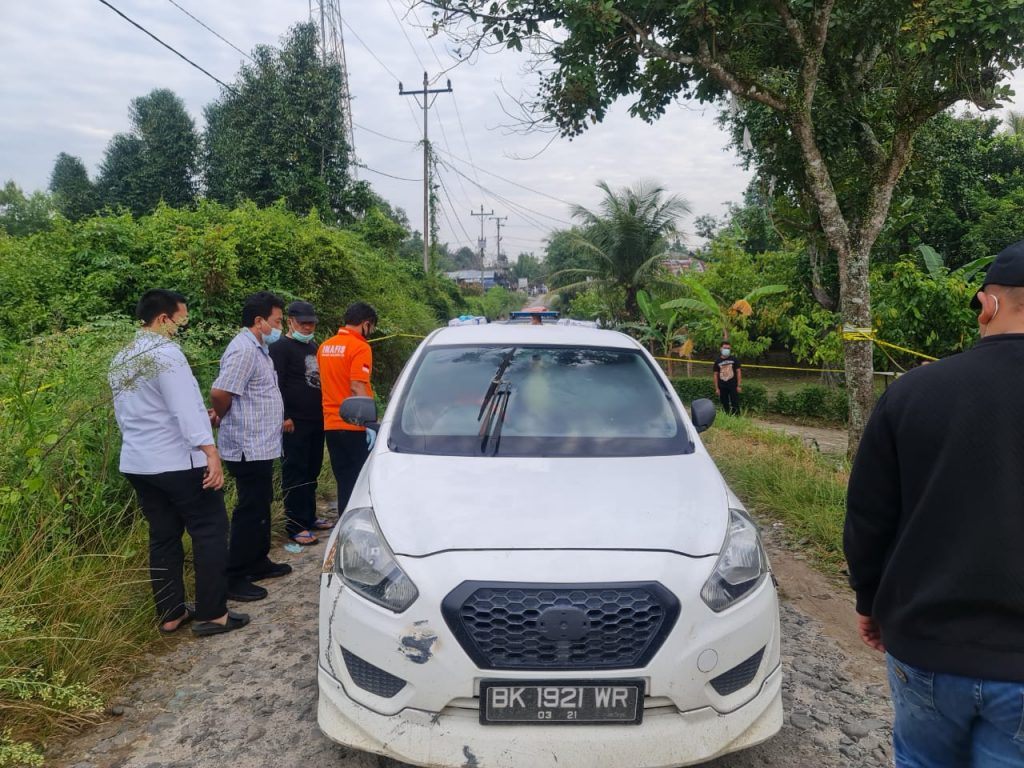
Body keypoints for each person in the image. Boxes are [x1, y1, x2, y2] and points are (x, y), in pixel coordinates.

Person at [845, 239, 1024, 765]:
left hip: (925, 645)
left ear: (987, 305)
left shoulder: (912, 392)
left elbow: (869, 517)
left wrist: (868, 601)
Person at [110, 289, 249, 637]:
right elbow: (185, 409)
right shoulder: (166, 354)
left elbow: (130, 413)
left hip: (139, 462)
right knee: (210, 530)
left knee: (163, 535)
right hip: (177, 461)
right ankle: (213, 614)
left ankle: (171, 613)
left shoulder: (122, 357)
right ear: (163, 319)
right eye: (180, 320)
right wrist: (210, 452)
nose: (181, 327)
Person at [210, 291, 290, 602]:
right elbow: (220, 392)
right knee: (249, 508)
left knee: (261, 502)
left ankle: (258, 560)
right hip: (247, 444)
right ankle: (236, 575)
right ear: (259, 321)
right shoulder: (243, 350)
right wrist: (223, 415)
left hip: (262, 444)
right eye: (277, 321)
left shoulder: (260, 350)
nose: (279, 327)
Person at [269, 300, 332, 546]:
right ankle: (295, 525)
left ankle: (309, 516)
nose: (307, 327)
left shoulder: (313, 346)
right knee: (295, 471)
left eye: (311, 323)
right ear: (290, 322)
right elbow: (276, 384)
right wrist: (283, 415)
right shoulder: (280, 348)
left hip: (316, 418)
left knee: (311, 469)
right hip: (294, 421)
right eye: (303, 323)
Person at [318, 302, 377, 513]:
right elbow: (357, 385)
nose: (371, 332)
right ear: (366, 324)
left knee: (344, 481)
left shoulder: (325, 347)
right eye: (372, 328)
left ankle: (343, 520)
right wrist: (369, 422)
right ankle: (354, 523)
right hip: (354, 425)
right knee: (359, 483)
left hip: (331, 424)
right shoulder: (360, 347)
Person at [712, 341, 742, 415]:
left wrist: (739, 385)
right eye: (725, 348)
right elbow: (715, 375)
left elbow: (738, 372)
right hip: (722, 386)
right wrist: (716, 388)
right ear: (721, 348)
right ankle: (726, 417)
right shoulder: (717, 361)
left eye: (728, 348)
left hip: (733, 385)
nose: (727, 350)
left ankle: (737, 418)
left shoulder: (734, 359)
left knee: (735, 403)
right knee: (724, 403)